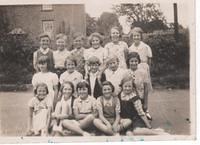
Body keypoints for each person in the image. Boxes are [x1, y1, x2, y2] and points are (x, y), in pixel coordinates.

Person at [125, 52, 152, 120]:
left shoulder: (143, 72)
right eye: (132, 61)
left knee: (141, 120)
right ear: (128, 62)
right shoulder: (125, 72)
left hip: (140, 98)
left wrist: (145, 104)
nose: (134, 63)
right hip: (129, 100)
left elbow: (146, 89)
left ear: (138, 61)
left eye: (136, 61)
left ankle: (145, 113)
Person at [128, 27, 153, 92]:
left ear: (141, 36)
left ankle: (145, 101)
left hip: (144, 68)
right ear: (132, 37)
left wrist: (147, 68)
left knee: (144, 88)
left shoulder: (146, 47)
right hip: (134, 68)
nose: (136, 37)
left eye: (138, 36)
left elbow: (149, 60)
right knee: (135, 87)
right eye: (134, 36)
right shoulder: (130, 48)